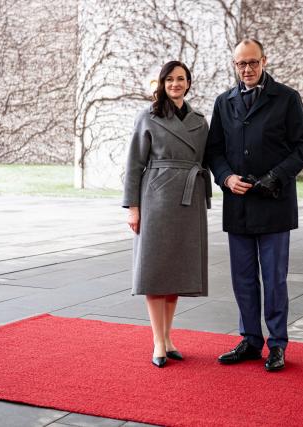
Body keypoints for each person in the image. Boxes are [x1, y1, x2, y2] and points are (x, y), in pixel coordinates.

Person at [206, 39, 303, 372]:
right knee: (243, 278)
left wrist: (276, 177)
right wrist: (225, 178)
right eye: (241, 64)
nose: (247, 69)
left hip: (275, 203)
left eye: (253, 63)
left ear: (264, 61)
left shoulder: (286, 98)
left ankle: (277, 344)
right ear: (234, 65)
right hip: (238, 204)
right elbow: (213, 151)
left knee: (274, 279)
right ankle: (251, 341)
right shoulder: (223, 102)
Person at [122, 61, 211, 368]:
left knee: (175, 274)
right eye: (170, 79)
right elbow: (134, 163)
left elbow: (208, 158)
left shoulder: (199, 120)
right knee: (155, 271)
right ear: (161, 83)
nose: (175, 83)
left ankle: (169, 336)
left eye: (181, 79)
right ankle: (157, 342)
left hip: (188, 201)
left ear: (188, 83)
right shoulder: (147, 116)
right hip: (156, 199)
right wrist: (133, 207)